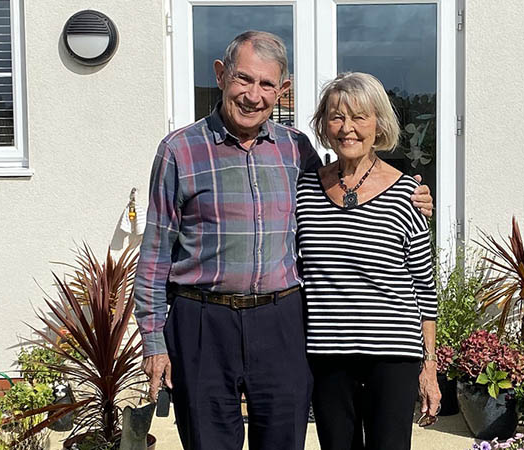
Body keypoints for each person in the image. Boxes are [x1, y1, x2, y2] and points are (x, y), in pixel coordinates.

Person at [134, 31, 434, 450]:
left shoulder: (296, 150)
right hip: (202, 321)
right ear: (221, 75)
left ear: (282, 90)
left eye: (267, 84)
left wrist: (410, 193)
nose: (253, 95)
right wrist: (153, 341)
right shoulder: (179, 150)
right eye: (243, 79)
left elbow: (348, 197)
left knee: (284, 439)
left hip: (281, 323)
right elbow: (154, 254)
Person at [295, 72, 441, 450]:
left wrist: (429, 367)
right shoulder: (305, 189)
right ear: (324, 125)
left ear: (379, 124)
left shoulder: (407, 194)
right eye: (337, 117)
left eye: (360, 117)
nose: (348, 128)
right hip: (327, 355)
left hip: (392, 358)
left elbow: (425, 288)